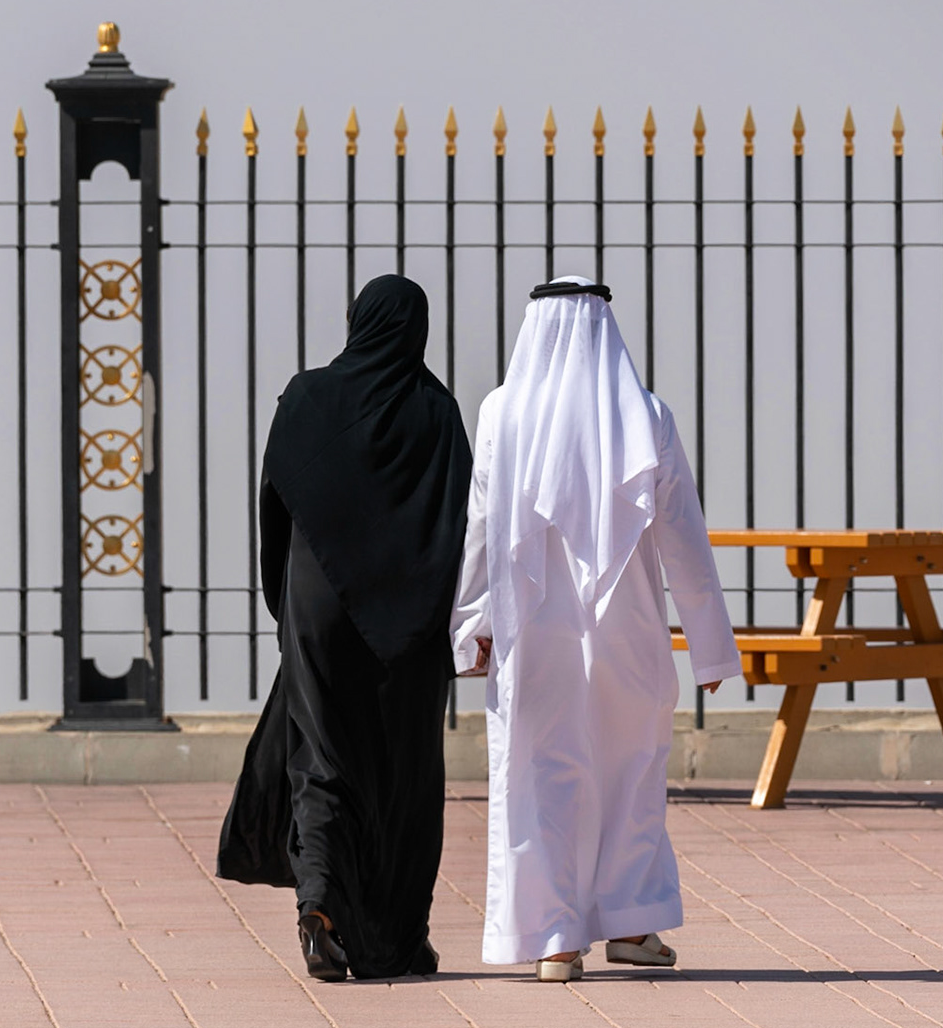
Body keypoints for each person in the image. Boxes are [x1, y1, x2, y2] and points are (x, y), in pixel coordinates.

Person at [451, 278, 740, 983]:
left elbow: (481, 532)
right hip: (629, 628)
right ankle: (633, 923)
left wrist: (471, 622)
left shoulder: (499, 414)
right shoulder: (645, 414)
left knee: (541, 773)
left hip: (533, 627)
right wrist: (710, 642)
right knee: (631, 767)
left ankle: (555, 938)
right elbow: (685, 537)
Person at [218, 274, 473, 982]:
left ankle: (320, 902)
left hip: (319, 604)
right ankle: (398, 940)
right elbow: (462, 525)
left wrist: (286, 605)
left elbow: (276, 508)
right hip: (412, 621)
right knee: (405, 771)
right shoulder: (436, 410)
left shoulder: (306, 398)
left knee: (324, 756)